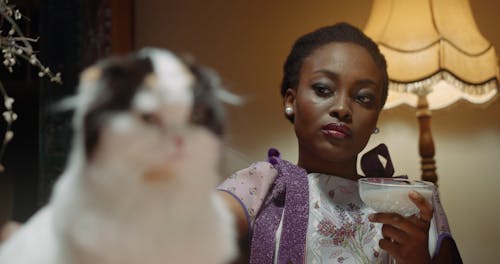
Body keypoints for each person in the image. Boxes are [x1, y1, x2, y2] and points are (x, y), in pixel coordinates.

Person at [218, 22, 462, 263]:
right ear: (290, 101)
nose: (343, 108)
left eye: (363, 97)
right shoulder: (264, 183)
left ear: (376, 115)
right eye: (323, 89)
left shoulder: (412, 201)